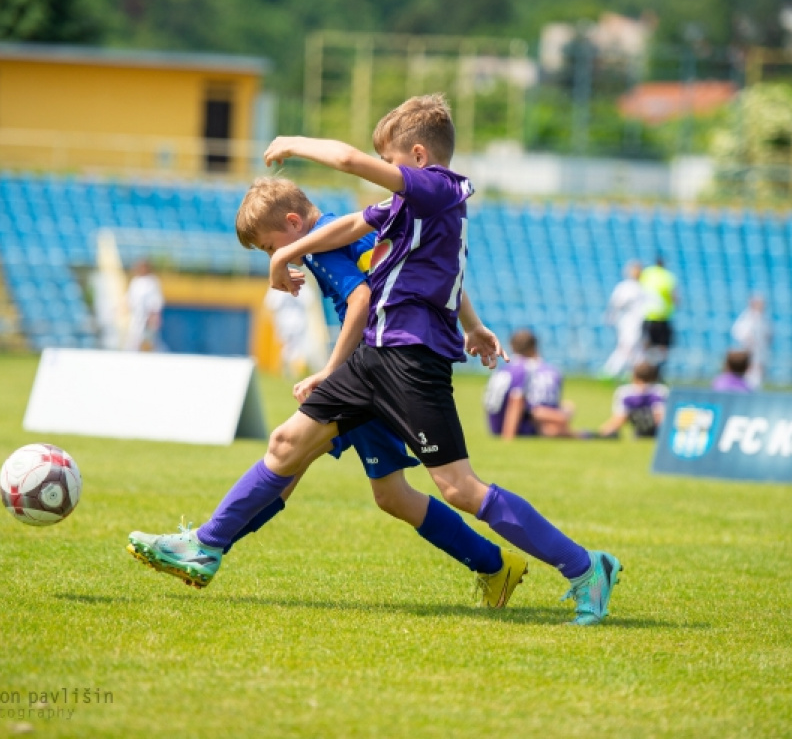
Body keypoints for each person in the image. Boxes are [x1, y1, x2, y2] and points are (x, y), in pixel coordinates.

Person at [128, 94, 621, 625]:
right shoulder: (410, 206)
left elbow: (344, 161)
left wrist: (293, 143)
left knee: (458, 488)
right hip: (374, 356)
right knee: (287, 444)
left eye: (389, 161)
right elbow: (354, 229)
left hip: (410, 359)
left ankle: (585, 567)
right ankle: (206, 545)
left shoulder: (436, 187)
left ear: (417, 155)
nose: (385, 171)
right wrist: (287, 254)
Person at [130, 174, 527, 608]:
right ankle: (495, 565)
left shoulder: (319, 242)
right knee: (383, 492)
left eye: (270, 246)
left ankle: (206, 545)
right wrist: (472, 324)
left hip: (370, 370)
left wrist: (330, 371)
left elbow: (359, 300)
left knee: (287, 449)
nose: (274, 256)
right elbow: (436, 274)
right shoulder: (354, 228)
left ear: (294, 222)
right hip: (383, 364)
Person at [484, 329, 575, 438]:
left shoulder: (503, 369)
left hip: (494, 422)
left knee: (559, 412)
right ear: (534, 346)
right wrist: (508, 437)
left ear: (512, 346)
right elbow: (516, 399)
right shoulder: (526, 368)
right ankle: (586, 435)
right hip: (511, 425)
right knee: (557, 419)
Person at [595, 361, 668, 439]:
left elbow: (620, 418)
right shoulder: (661, 390)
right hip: (659, 433)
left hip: (645, 432)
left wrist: (601, 432)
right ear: (654, 377)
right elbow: (661, 417)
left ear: (633, 376)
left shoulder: (625, 392)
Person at [600, 260, 645, 379]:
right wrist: (612, 315)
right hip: (628, 323)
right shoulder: (626, 286)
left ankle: (632, 374)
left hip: (637, 323)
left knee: (635, 350)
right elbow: (617, 303)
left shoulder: (641, 287)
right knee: (626, 347)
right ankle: (610, 371)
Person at [639, 256, 677, 379]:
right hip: (662, 317)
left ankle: (645, 371)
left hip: (648, 316)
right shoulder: (668, 277)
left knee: (646, 345)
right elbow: (674, 297)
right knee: (663, 347)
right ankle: (658, 372)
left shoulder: (647, 273)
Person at [731, 295, 771, 389]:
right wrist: (748, 339)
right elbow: (738, 332)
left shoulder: (763, 318)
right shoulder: (747, 317)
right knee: (748, 375)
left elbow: (768, 334)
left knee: (758, 375)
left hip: (759, 352)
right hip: (748, 352)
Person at [124, 258, 164, 351]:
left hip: (148, 317)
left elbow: (156, 301)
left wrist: (154, 316)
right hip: (136, 318)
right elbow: (129, 299)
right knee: (133, 342)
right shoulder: (135, 282)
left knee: (151, 341)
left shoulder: (152, 282)